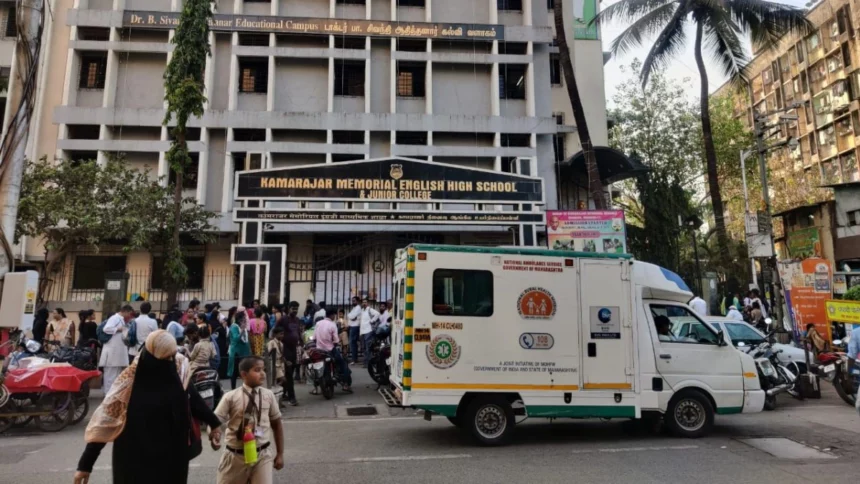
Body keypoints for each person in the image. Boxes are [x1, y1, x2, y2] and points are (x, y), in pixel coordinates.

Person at [73, 330, 222, 484]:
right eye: (165, 357)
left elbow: (193, 399)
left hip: (173, 460)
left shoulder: (178, 368)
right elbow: (106, 423)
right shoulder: (127, 383)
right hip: (134, 463)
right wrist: (85, 464)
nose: (171, 360)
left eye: (172, 355)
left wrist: (214, 423)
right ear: (152, 355)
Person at [212, 356, 284, 484]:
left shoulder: (268, 395)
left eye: (263, 369)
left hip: (262, 455)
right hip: (235, 456)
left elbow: (277, 425)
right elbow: (215, 420)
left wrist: (280, 454)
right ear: (244, 374)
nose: (263, 374)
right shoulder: (231, 397)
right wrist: (214, 433)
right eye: (257, 370)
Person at [99, 306, 135, 395]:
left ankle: (113, 393)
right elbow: (106, 329)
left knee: (116, 375)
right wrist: (119, 329)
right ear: (126, 311)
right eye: (129, 313)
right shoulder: (114, 318)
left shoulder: (121, 319)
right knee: (110, 375)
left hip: (118, 352)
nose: (130, 316)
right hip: (112, 352)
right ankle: (108, 394)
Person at [314, 309, 352, 392]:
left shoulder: (318, 323)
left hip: (319, 350)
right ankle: (345, 384)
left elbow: (314, 338)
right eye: (334, 315)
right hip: (330, 350)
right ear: (331, 315)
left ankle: (315, 386)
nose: (335, 317)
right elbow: (336, 340)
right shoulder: (332, 325)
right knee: (343, 364)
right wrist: (335, 343)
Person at [276, 301, 302, 403]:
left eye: (296, 309)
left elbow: (298, 332)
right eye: (293, 308)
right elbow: (275, 331)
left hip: (294, 349)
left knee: (290, 372)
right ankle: (292, 397)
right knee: (289, 373)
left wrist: (301, 343)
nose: (295, 311)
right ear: (289, 308)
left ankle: (283, 393)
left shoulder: (297, 320)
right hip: (285, 349)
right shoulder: (283, 319)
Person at [228, 309, 252, 390]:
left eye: (245, 320)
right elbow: (236, 339)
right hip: (236, 352)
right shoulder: (234, 327)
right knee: (234, 372)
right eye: (243, 320)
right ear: (239, 320)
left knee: (245, 371)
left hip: (244, 352)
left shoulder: (243, 327)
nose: (245, 321)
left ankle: (245, 388)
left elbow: (246, 340)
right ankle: (233, 389)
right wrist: (241, 330)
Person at [358, 299, 380, 368]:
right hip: (362, 331)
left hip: (368, 330)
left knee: (368, 348)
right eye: (363, 302)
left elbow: (377, 314)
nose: (364, 303)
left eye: (365, 302)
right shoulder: (362, 311)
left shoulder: (370, 309)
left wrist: (372, 320)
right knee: (364, 348)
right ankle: (366, 362)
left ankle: (368, 363)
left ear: (368, 303)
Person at [267, 327, 287, 405]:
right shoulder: (271, 343)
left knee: (279, 382)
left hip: (280, 364)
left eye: (283, 334)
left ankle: (278, 402)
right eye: (280, 334)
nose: (282, 336)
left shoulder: (281, 344)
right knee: (283, 380)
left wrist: (286, 361)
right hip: (274, 364)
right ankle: (272, 392)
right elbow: (268, 354)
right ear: (275, 334)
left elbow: (281, 354)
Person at [346, 296, 362, 364]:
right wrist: (350, 316)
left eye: (354, 300)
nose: (353, 302)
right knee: (353, 344)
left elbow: (352, 317)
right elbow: (350, 316)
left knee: (352, 343)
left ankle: (354, 359)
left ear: (358, 301)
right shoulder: (354, 308)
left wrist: (350, 315)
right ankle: (354, 359)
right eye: (352, 300)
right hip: (352, 326)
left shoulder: (358, 308)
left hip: (355, 327)